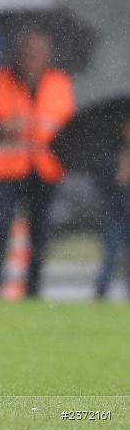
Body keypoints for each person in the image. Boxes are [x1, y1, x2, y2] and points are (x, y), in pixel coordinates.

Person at [0, 30, 75, 299]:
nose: (32, 57)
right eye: (28, 51)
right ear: (18, 54)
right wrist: (1, 129)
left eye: (38, 52)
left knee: (40, 234)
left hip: (45, 169)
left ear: (47, 55)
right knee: (1, 231)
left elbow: (71, 129)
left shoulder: (59, 83)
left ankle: (34, 291)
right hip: (8, 170)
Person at [93, 120, 130, 299]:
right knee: (111, 255)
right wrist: (118, 176)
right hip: (115, 212)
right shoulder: (111, 153)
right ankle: (101, 293)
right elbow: (101, 182)